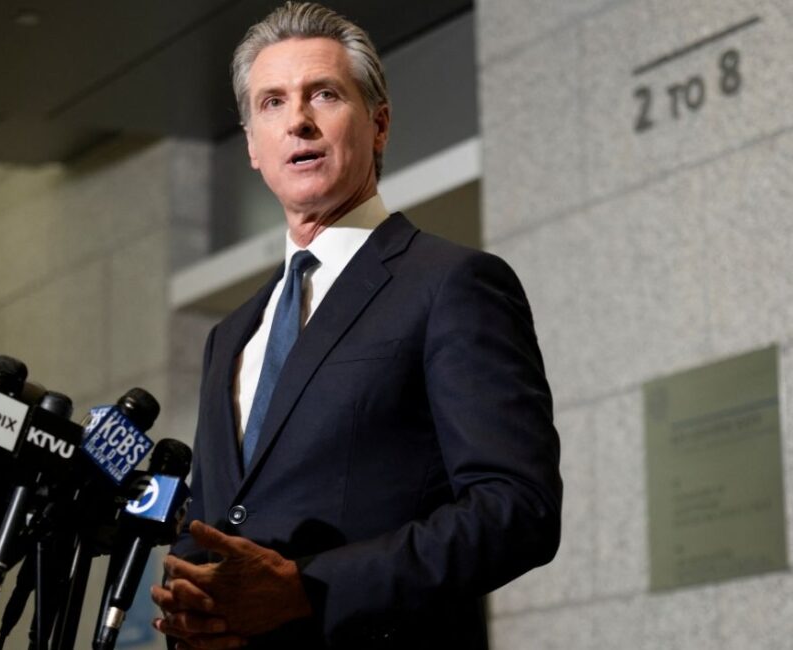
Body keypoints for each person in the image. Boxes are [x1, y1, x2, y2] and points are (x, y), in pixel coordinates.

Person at [152, 3, 562, 648]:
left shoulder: (451, 284)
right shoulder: (228, 336)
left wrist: (308, 589)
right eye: (272, 103)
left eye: (324, 94)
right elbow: (214, 517)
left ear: (379, 125)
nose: (299, 120)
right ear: (253, 146)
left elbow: (517, 508)